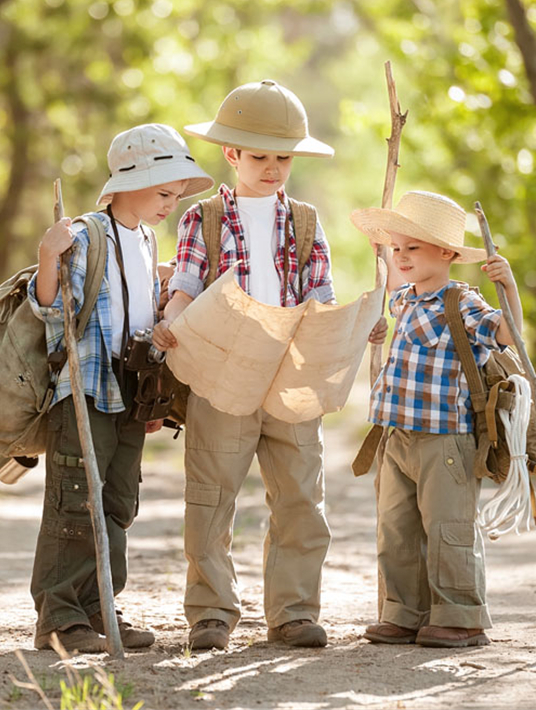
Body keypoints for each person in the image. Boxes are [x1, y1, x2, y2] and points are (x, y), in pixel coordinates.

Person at [152, 79, 386, 650]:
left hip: (291, 372)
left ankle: (294, 610)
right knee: (212, 493)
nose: (274, 168)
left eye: (284, 157)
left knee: (301, 496)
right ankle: (210, 610)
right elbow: (184, 284)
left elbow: (320, 296)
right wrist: (170, 324)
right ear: (231, 154)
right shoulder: (201, 219)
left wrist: (353, 329)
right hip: (222, 368)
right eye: (260, 157)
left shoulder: (305, 222)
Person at [27, 123, 212, 652]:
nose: (170, 204)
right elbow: (47, 307)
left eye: (176, 196)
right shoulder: (85, 234)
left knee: (117, 501)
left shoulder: (148, 239)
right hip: (86, 389)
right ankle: (59, 617)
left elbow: (138, 314)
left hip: (130, 390)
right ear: (128, 183)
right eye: (163, 192)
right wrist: (47, 258)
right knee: (75, 500)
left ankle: (101, 605)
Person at [350, 190, 523, 648]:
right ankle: (405, 612)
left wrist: (509, 290)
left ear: (446, 253)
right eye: (397, 248)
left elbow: (507, 334)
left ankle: (460, 614)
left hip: (445, 439)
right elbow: (385, 290)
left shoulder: (461, 301)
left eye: (414, 248)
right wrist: (378, 291)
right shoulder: (404, 299)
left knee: (448, 528)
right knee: (396, 528)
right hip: (397, 435)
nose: (402, 257)